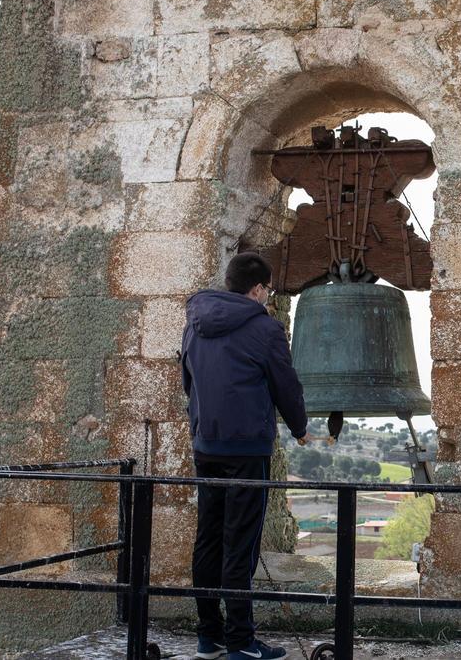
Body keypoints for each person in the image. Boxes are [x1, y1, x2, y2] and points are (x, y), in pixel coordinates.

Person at [182, 252, 310, 660]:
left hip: (206, 445)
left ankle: (209, 636)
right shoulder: (265, 329)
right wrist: (300, 426)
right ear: (257, 289)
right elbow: (284, 384)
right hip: (246, 450)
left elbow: (188, 380)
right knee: (240, 544)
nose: (268, 298)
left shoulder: (195, 323)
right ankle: (241, 642)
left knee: (208, 540)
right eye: (268, 291)